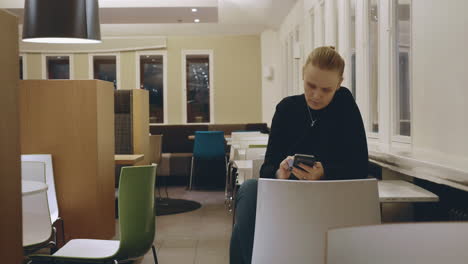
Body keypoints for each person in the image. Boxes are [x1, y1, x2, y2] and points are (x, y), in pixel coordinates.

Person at [229, 46, 369, 264]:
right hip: (288, 197)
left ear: (339, 85)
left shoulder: (345, 107)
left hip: (331, 198)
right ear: (303, 74)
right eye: (310, 85)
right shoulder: (286, 109)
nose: (316, 95)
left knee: (240, 232)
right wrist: (279, 172)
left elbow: (360, 167)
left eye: (326, 90)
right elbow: (267, 168)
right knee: (249, 190)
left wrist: (325, 173)